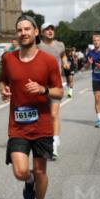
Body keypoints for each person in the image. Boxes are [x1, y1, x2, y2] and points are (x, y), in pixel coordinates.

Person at [0, 17, 63, 199]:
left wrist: (43, 89)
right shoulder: (8, 59)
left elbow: (60, 92)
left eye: (27, 29)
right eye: (19, 30)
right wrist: (3, 89)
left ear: (36, 32)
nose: (23, 33)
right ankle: (29, 181)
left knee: (41, 171)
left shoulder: (49, 61)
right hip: (17, 125)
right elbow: (3, 80)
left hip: (42, 125)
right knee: (20, 171)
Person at [37, 21, 67, 159]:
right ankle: (45, 140)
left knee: (54, 114)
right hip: (41, 85)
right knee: (44, 116)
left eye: (52, 29)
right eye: (47, 29)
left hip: (56, 84)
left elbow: (63, 55)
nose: (50, 31)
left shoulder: (60, 45)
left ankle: (54, 145)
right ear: (42, 32)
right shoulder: (38, 47)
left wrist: (65, 61)